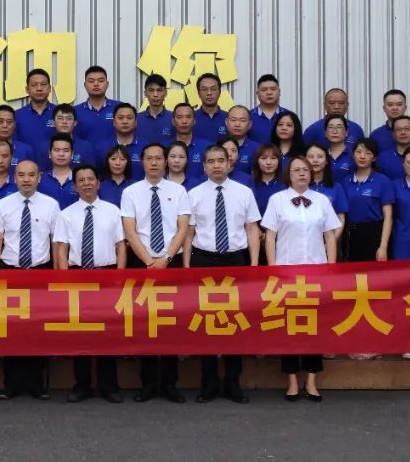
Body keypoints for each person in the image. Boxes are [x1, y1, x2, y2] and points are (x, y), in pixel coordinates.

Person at [183, 146, 260, 404]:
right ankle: (209, 383)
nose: (216, 165)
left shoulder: (244, 192)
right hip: (204, 260)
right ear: (204, 166)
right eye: (211, 161)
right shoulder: (193, 194)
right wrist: (187, 266)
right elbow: (189, 234)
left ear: (229, 164)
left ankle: (232, 382)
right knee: (206, 322)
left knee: (234, 322)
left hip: (235, 260)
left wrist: (253, 265)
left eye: (221, 161)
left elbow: (252, 229)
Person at [261, 157, 340, 402]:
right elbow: (270, 236)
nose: (301, 174)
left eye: (305, 170)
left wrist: (331, 268)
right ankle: (292, 380)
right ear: (289, 174)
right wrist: (272, 269)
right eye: (296, 170)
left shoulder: (322, 201)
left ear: (312, 174)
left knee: (314, 327)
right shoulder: (277, 200)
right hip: (287, 272)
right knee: (290, 327)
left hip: (316, 273)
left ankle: (312, 380)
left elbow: (330, 236)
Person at [120, 143, 191, 404]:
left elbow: (182, 228)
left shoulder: (178, 191)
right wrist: (150, 261)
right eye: (149, 158)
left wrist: (167, 258)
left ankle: (170, 384)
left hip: (171, 262)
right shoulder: (131, 192)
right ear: (142, 162)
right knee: (145, 324)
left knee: (171, 323)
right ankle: (148, 383)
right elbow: (130, 231)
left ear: (165, 161)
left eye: (158, 158)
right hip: (142, 262)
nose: (154, 163)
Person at [54, 165, 126, 403]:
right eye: (81, 180)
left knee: (108, 333)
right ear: (75, 186)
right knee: (80, 334)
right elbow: (62, 250)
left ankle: (109, 385)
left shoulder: (113, 211)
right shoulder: (66, 214)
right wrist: (64, 280)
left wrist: (119, 278)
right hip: (78, 277)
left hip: (106, 276)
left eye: (90, 179)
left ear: (98, 183)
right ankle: (81, 385)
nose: (86, 183)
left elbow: (120, 246)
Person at [0, 161, 60, 400]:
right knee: (11, 328)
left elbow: (56, 242)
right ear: (15, 178)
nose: (26, 179)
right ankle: (11, 384)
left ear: (39, 178)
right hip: (11, 271)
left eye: (31, 175)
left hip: (40, 271)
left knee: (37, 328)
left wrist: (57, 275)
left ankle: (36, 384)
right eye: (21, 175)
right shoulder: (3, 204)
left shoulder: (51, 205)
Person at [341, 138, 394, 263]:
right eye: (358, 152)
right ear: (353, 155)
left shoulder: (382, 181)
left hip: (375, 232)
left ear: (374, 158)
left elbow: (388, 216)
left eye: (368, 153)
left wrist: (383, 246)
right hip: (351, 234)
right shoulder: (346, 181)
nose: (362, 156)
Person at [305, 143, 348, 235]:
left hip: (329, 237)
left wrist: (332, 240)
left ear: (326, 161)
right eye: (311, 157)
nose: (315, 160)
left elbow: (340, 218)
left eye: (320, 157)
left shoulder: (336, 187)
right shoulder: (299, 186)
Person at [96, 103, 145, 179]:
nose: (125, 121)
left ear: (136, 122)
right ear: (114, 122)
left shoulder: (145, 148)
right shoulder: (102, 148)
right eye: (120, 118)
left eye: (129, 118)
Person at [75, 66, 119, 143]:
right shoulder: (75, 111)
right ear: (85, 85)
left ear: (107, 84)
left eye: (101, 81)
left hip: (114, 151)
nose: (96, 84)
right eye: (91, 81)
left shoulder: (119, 108)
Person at [15, 68, 57, 146]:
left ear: (49, 88)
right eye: (34, 85)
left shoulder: (59, 113)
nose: (39, 88)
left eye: (43, 84)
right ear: (27, 89)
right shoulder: (17, 115)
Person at [50, 103, 98, 170]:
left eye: (69, 118)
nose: (64, 122)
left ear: (75, 123)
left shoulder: (86, 147)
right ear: (53, 123)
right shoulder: (45, 146)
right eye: (60, 118)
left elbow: (90, 173)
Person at [37, 133, 79, 208]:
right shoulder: (40, 179)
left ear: (72, 154)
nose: (61, 154)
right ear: (50, 154)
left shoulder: (80, 179)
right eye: (57, 150)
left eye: (66, 150)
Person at [170, 103, 212, 177]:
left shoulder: (207, 147)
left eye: (188, 117)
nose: (184, 121)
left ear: (194, 121)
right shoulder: (165, 146)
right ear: (173, 121)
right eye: (179, 117)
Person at [249, 74, 291, 144]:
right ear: (257, 93)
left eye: (273, 89)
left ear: (279, 92)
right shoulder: (248, 117)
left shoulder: (289, 116)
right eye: (264, 90)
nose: (269, 93)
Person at [137, 74, 173, 145]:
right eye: (151, 90)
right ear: (145, 93)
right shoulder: (136, 119)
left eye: (159, 90)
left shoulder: (174, 118)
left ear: (165, 93)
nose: (155, 94)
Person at [252, 144, 286, 218]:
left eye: (273, 158)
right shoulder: (250, 185)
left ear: (279, 161)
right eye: (263, 158)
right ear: (257, 161)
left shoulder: (286, 185)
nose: (268, 162)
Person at [223, 106, 260, 174]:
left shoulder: (257, 149)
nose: (237, 124)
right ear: (226, 122)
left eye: (242, 120)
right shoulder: (218, 147)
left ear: (249, 124)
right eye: (233, 120)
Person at [193, 73, 229, 141]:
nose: (209, 93)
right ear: (198, 93)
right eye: (204, 89)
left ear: (220, 92)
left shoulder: (228, 118)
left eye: (213, 89)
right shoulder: (191, 118)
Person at [325, 116, 355, 180]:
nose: (334, 131)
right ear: (326, 133)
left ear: (346, 133)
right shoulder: (322, 155)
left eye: (339, 127)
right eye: (330, 127)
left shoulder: (354, 154)